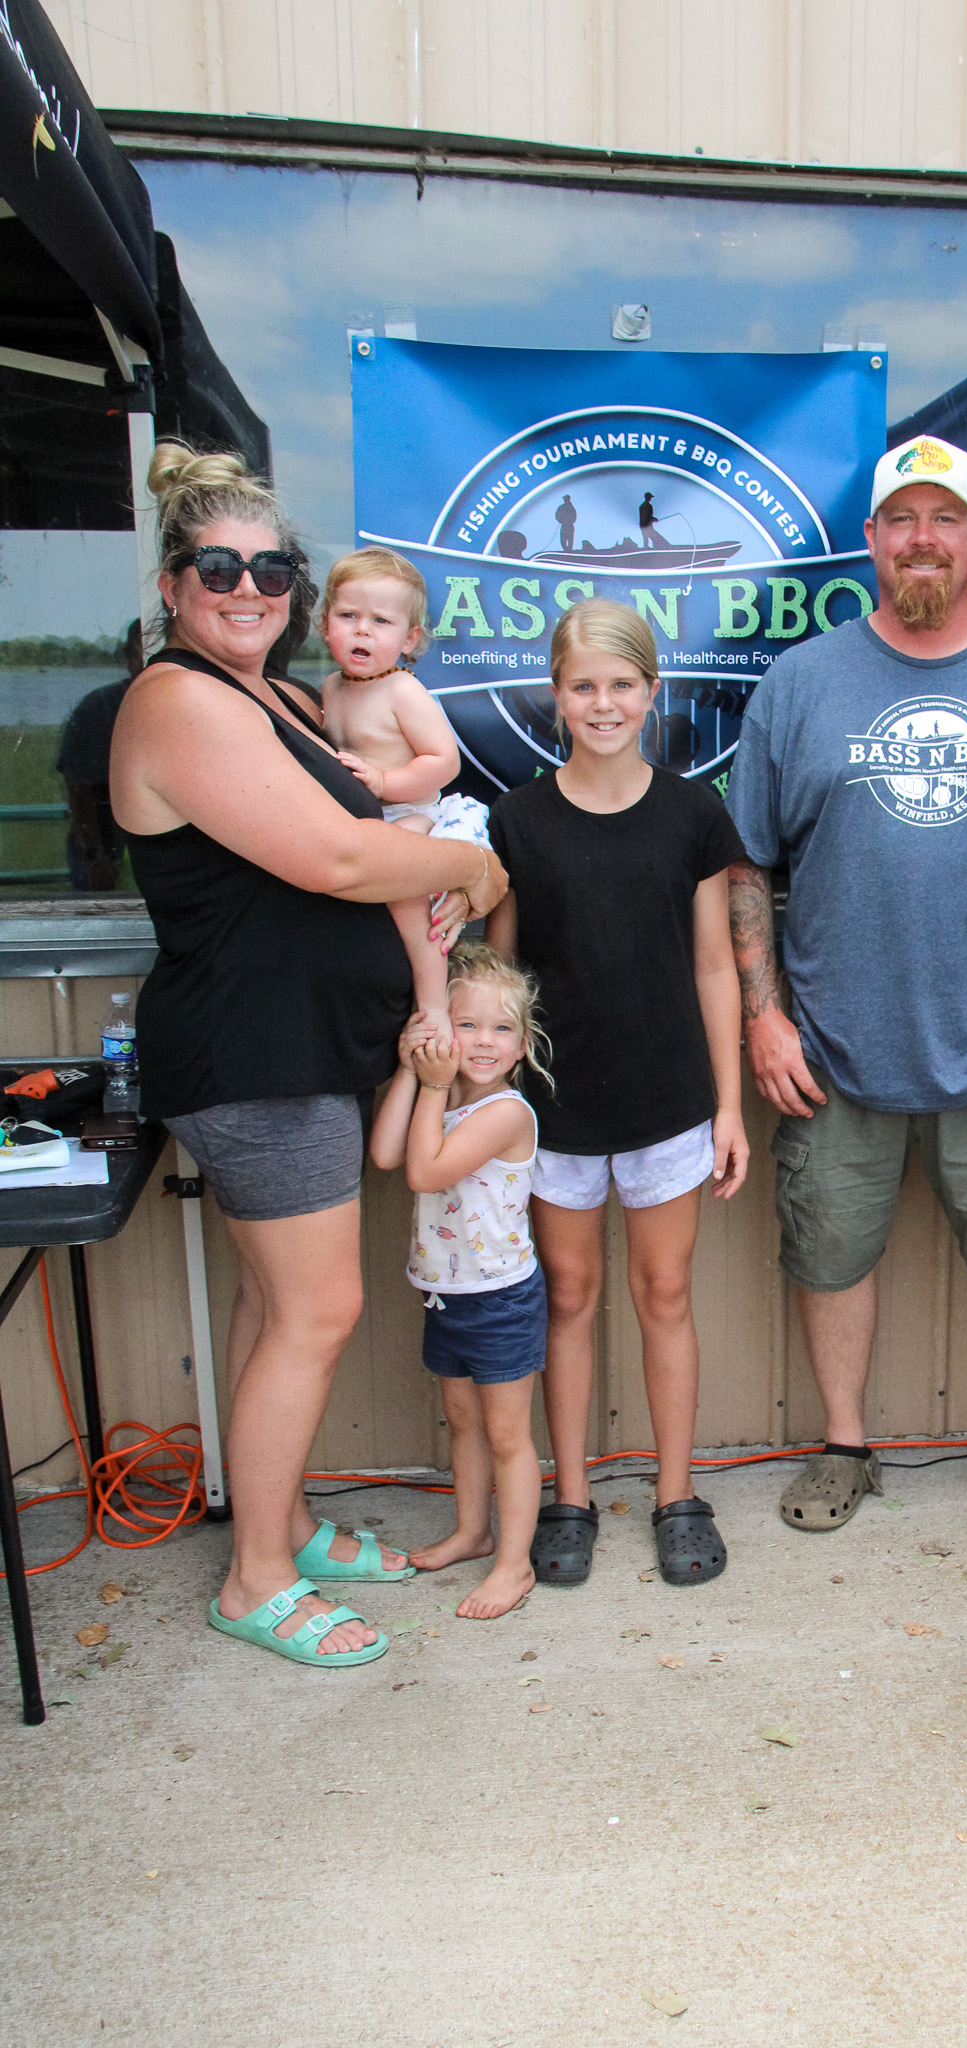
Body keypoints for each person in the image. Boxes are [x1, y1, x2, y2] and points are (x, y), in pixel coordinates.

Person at [109, 442, 506, 1669]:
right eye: (216, 566)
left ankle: (276, 1519)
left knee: (271, 1302)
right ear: (172, 583)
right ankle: (258, 1576)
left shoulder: (277, 695)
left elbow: (377, 810)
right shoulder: (175, 698)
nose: (248, 588)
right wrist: (473, 867)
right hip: (254, 1059)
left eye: (272, 568)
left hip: (304, 1050)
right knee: (319, 1306)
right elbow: (339, 859)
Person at [725, 434, 967, 1541]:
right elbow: (746, 860)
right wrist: (763, 1015)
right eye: (902, 518)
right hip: (834, 1043)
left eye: (946, 518)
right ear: (871, 541)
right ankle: (845, 1442)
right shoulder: (802, 682)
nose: (923, 539)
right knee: (831, 1248)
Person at [485, 598, 748, 1586]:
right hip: (554, 1110)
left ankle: (678, 1493)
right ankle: (571, 1493)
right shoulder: (518, 818)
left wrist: (729, 1103)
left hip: (669, 1100)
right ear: (555, 694)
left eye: (622, 684)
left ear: (652, 691)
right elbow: (498, 976)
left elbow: (716, 965)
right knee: (571, 1293)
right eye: (582, 684)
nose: (603, 702)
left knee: (664, 1291)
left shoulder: (692, 813)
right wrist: (495, 1105)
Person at [369, 943, 550, 1618]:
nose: (482, 1041)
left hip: (500, 1299)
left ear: (523, 1044)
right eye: (465, 1024)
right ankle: (474, 1533)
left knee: (507, 1435)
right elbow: (388, 1153)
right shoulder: (436, 1099)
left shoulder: (504, 1112)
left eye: (501, 1029)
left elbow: (425, 1172)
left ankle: (514, 1566)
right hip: (446, 1294)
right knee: (461, 1421)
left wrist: (436, 1083)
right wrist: (408, 1072)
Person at [320, 546, 487, 1025]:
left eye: (381, 621)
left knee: (408, 904)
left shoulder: (402, 690)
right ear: (325, 623)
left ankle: (433, 1005)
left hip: (413, 815)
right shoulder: (332, 687)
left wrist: (385, 780)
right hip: (362, 824)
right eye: (348, 615)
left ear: (411, 637)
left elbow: (444, 761)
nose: (362, 630)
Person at [57, 619, 141, 890]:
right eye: (143, 649)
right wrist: (96, 854)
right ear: (129, 656)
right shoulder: (99, 706)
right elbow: (78, 787)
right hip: (105, 841)